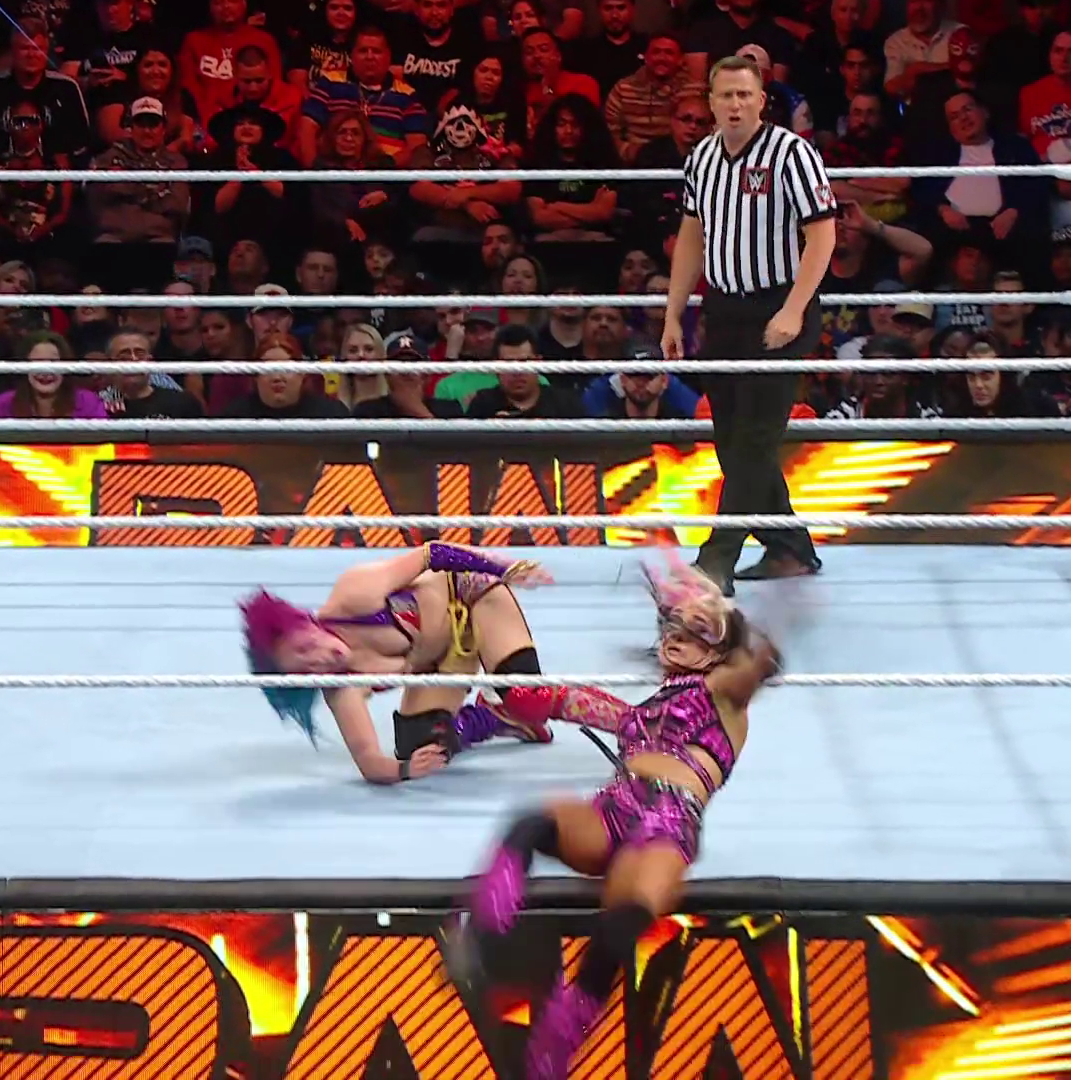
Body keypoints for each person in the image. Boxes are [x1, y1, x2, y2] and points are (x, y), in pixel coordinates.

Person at [440, 552, 782, 1079]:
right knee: (531, 824)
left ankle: (557, 1044)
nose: (676, 638)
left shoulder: (723, 694)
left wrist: (728, 616)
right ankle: (480, 942)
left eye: (694, 635)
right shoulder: (636, 713)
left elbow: (756, 666)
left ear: (717, 652)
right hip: (614, 807)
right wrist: (477, 717)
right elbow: (557, 700)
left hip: (668, 818)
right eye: (673, 628)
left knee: (621, 922)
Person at [662, 54, 837, 596]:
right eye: (725, 95)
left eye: (744, 95)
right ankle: (790, 548)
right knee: (731, 442)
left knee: (756, 440)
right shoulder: (701, 159)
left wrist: (794, 309)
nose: (735, 104)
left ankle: (715, 561)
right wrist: (673, 313)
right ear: (710, 102)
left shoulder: (792, 153)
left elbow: (823, 234)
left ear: (761, 100)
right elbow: (692, 236)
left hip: (780, 305)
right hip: (724, 309)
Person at [237, 542, 562, 783]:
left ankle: (593, 714)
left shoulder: (353, 597)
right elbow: (369, 761)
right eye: (308, 670)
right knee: (423, 746)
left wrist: (503, 568)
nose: (321, 659)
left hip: (471, 593)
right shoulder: (341, 689)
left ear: (306, 622)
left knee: (528, 697)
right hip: (446, 657)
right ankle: (493, 717)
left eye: (307, 646)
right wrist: (405, 769)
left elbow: (432, 553)